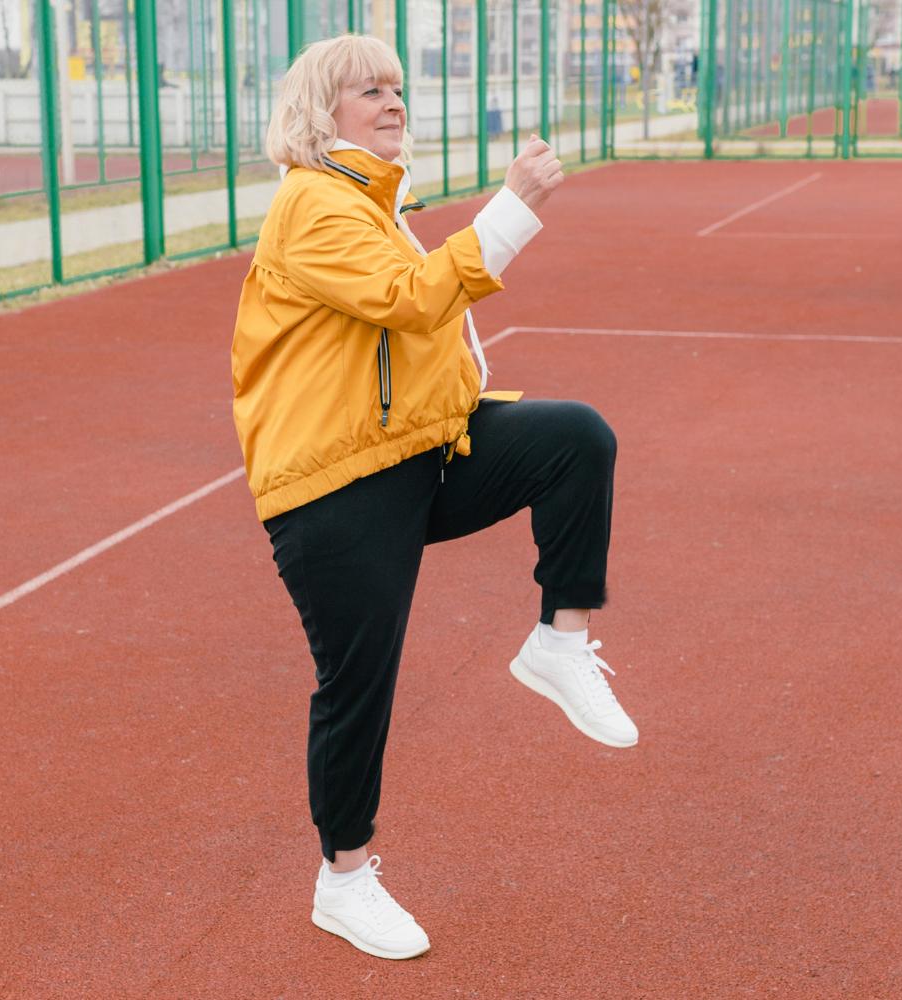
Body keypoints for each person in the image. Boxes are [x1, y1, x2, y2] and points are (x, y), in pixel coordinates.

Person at [230, 34, 637, 962]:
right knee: (358, 687)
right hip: (333, 485)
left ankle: (558, 643)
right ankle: (344, 882)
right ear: (320, 113)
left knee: (574, 439)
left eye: (397, 88)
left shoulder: (374, 200)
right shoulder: (313, 203)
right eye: (368, 90)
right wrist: (515, 206)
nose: (392, 102)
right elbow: (413, 299)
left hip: (417, 452)